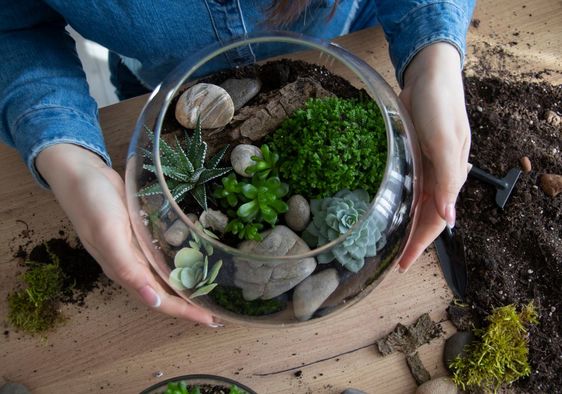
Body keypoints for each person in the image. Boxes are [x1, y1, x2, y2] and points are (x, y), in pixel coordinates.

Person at [0, 0, 474, 327]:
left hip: (359, 37)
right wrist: (70, 157)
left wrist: (434, 59)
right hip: (162, 90)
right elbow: (13, 23)